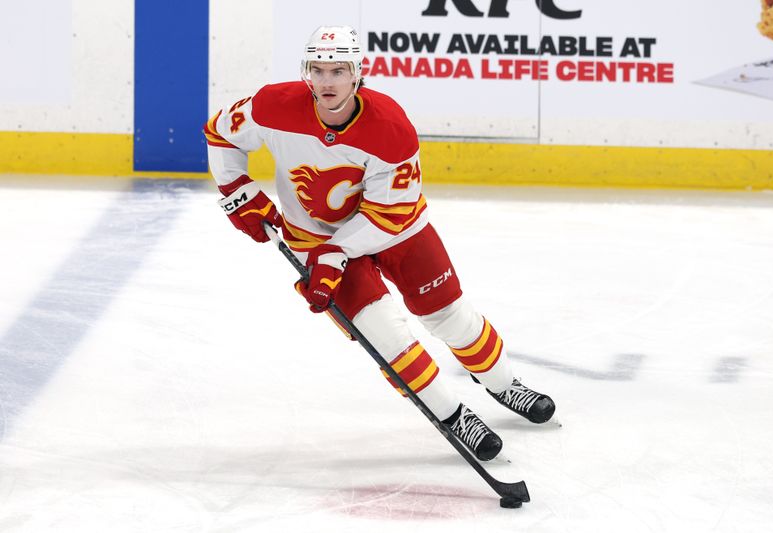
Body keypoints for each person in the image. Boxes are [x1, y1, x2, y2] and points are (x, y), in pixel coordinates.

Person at [205, 25, 555, 461]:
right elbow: (220, 134)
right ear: (306, 73)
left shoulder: (390, 126)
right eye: (318, 69)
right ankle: (453, 415)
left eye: (339, 70)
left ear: (358, 74)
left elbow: (388, 213)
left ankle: (505, 384)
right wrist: (238, 191)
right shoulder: (273, 105)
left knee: (448, 315)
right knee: (386, 334)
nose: (327, 81)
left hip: (395, 227)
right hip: (312, 236)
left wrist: (336, 252)